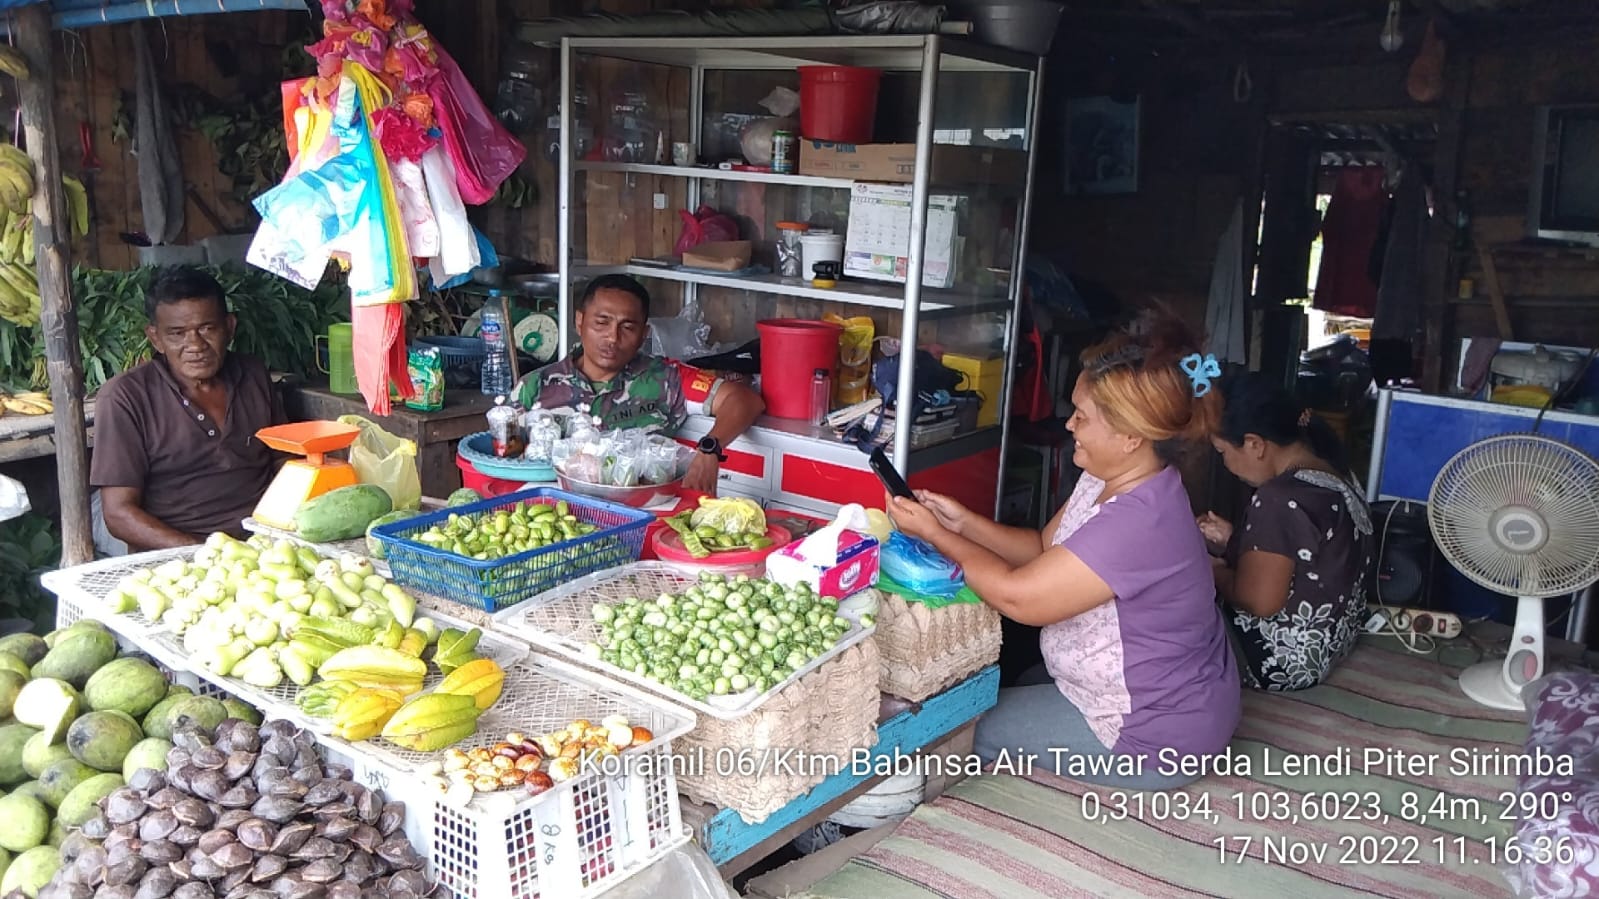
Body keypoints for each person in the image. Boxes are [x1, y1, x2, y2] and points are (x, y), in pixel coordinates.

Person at [887, 315, 1240, 790]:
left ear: (1130, 437)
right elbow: (1041, 548)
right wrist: (963, 523)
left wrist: (937, 536)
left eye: (1083, 417)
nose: (1069, 423)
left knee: (960, 727)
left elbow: (1019, 598)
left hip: (1155, 735)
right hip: (1173, 694)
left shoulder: (1140, 522)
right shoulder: (1113, 477)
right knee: (1001, 679)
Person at [1198, 372, 1375, 692]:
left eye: (1223, 452)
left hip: (1280, 662)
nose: (1225, 464)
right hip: (1327, 651)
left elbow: (1260, 602)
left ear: (1254, 444)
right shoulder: (1337, 473)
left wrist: (1212, 571)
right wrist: (1236, 539)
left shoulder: (1280, 498)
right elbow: (1310, 561)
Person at [91, 266, 287, 552]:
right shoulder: (126, 397)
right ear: (156, 338)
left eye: (207, 329)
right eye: (177, 333)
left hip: (265, 546)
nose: (195, 345)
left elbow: (284, 460)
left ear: (230, 327)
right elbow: (119, 514)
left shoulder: (253, 375)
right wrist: (204, 553)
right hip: (177, 556)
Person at [514, 274, 764, 494]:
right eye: (602, 323)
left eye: (627, 327)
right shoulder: (534, 387)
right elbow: (505, 456)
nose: (613, 337)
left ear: (644, 334)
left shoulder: (666, 379)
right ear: (579, 322)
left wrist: (710, 448)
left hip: (641, 517)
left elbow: (743, 400)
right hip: (556, 522)